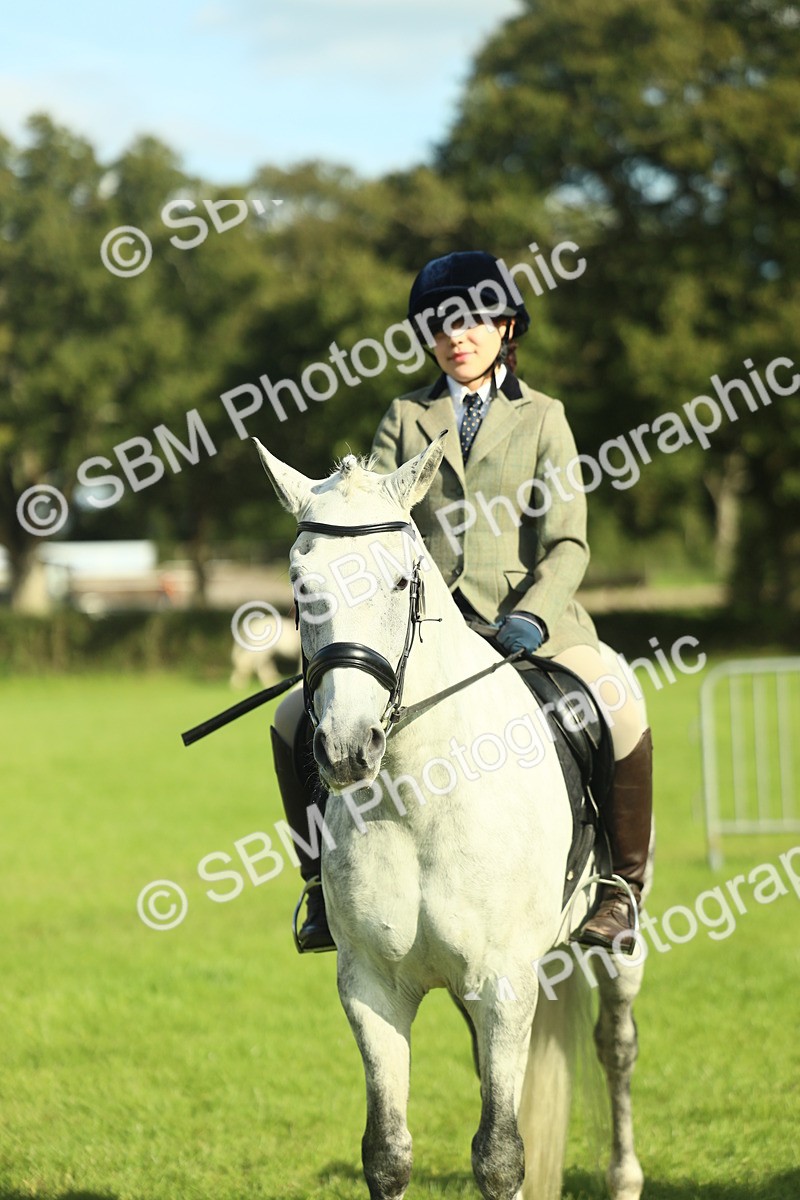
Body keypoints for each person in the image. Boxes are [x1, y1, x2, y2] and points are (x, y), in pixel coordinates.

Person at [270, 251, 652, 956]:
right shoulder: (405, 416)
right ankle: (322, 885)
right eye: (441, 325)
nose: (457, 337)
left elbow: (568, 542)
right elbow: (375, 519)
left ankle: (619, 889)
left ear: (505, 327)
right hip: (429, 629)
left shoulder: (545, 417)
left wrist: (532, 614)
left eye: (473, 321)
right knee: (293, 715)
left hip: (534, 625)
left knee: (618, 702)